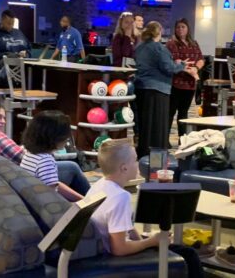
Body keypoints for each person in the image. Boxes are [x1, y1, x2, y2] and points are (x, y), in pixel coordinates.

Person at [86, 138, 204, 278]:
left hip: (101, 247)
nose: (137, 163)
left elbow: (125, 227)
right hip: (112, 256)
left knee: (182, 251)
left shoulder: (99, 185)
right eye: (135, 160)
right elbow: (119, 248)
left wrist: (142, 239)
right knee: (189, 255)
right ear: (124, 168)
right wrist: (150, 242)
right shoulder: (120, 197)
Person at [0, 102, 90, 195]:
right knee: (72, 167)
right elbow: (26, 157)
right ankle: (93, 201)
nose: (3, 121)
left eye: (4, 117)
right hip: (21, 178)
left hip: (3, 179)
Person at [134, 21, 192, 158]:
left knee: (144, 124)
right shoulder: (159, 48)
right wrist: (182, 65)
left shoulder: (140, 47)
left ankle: (143, 152)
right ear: (158, 32)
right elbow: (168, 68)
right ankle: (156, 156)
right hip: (158, 90)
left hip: (141, 87)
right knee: (157, 125)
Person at [21, 110, 85, 201]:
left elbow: (54, 184)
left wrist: (82, 200)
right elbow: (50, 200)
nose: (67, 138)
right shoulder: (46, 161)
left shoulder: (29, 153)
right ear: (55, 136)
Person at [166, 18, 204, 139]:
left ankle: (182, 140)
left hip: (190, 84)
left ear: (188, 29)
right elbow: (176, 62)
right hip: (176, 83)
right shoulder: (171, 43)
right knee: (170, 113)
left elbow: (201, 59)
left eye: (183, 27)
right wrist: (188, 69)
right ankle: (164, 140)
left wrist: (196, 69)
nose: (180, 29)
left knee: (183, 113)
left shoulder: (194, 43)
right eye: (178, 27)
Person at [0, 9, 31, 87]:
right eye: (9, 23)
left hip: (21, 66)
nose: (11, 26)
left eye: (12, 23)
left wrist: (26, 53)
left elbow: (28, 49)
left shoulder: (18, 33)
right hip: (3, 67)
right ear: (2, 21)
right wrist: (11, 55)